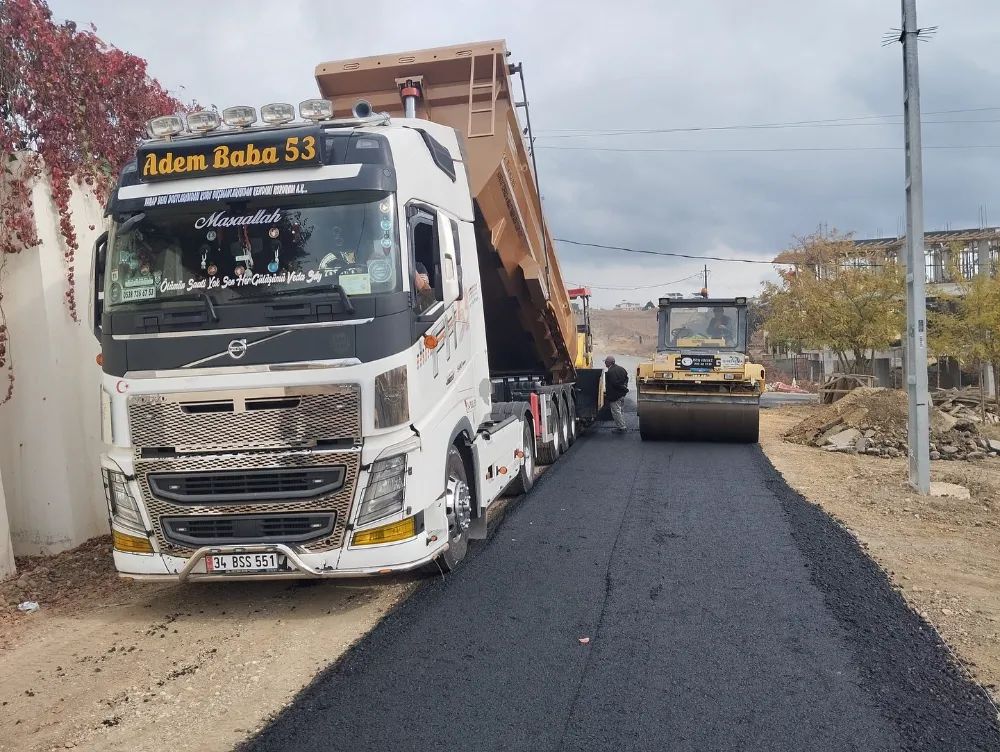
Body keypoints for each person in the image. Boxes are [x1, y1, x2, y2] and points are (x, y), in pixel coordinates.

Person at [604, 355, 629, 434]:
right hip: (621, 395)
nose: (605, 363)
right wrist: (624, 389)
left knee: (616, 411)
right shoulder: (621, 369)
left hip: (615, 395)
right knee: (621, 410)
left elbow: (615, 383)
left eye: (606, 361)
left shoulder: (610, 372)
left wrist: (623, 389)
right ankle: (622, 425)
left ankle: (621, 427)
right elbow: (626, 378)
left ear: (609, 362)